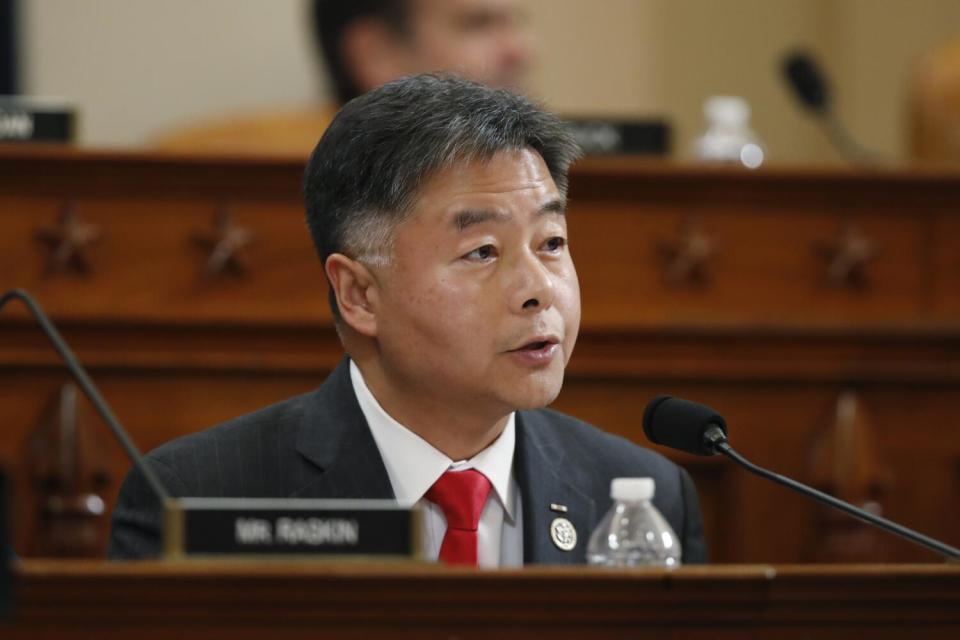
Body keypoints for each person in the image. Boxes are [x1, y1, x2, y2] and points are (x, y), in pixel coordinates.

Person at [111, 74, 707, 565]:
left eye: (551, 242)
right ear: (360, 295)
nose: (537, 290)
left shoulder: (641, 496)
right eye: (482, 252)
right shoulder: (195, 498)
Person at [153, 0, 534, 156]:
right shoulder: (220, 165)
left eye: (517, 23)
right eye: (478, 25)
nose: (523, 50)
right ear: (375, 54)